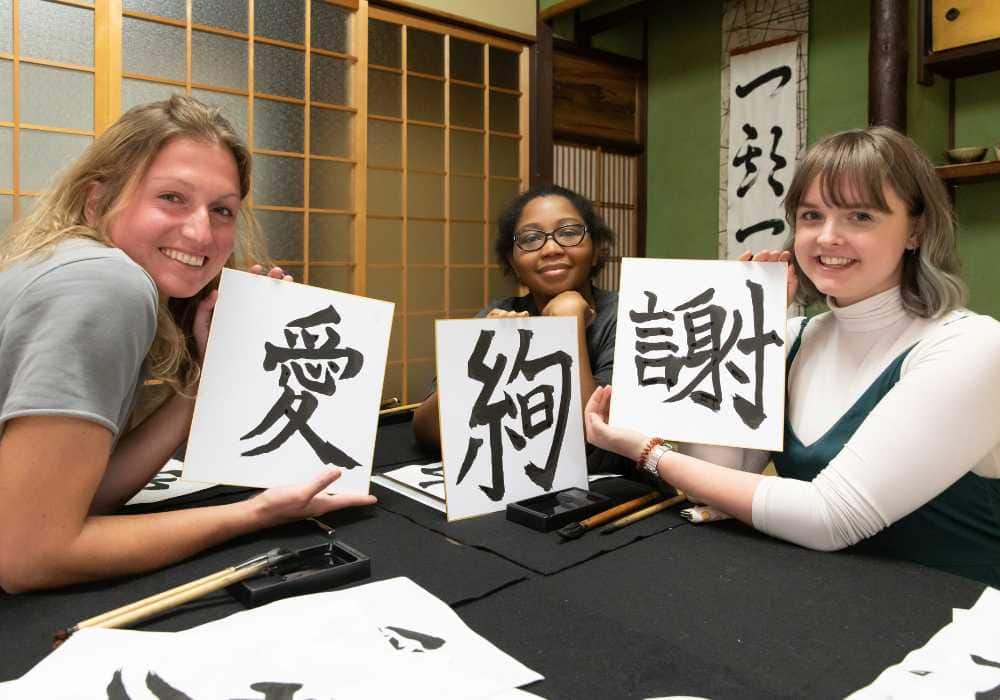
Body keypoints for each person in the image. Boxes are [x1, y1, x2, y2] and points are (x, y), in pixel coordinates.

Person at [585, 126, 1000, 585]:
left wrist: (647, 452)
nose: (827, 237)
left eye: (860, 216)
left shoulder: (971, 346)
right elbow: (719, 479)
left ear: (916, 230)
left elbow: (831, 517)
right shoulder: (793, 337)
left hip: (963, 626)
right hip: (834, 600)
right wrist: (741, 330)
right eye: (811, 215)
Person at [0, 96, 375, 593]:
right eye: (172, 197)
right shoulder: (107, 283)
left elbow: (80, 498)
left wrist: (206, 370)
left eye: (222, 210)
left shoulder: (79, 260)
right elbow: (29, 557)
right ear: (98, 199)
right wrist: (255, 514)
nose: (201, 232)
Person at [412, 183, 626, 472]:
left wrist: (569, 323)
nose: (551, 248)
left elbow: (592, 441)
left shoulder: (624, 315)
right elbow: (426, 432)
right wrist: (484, 359)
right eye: (531, 238)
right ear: (513, 262)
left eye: (569, 232)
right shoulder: (500, 314)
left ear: (597, 250)